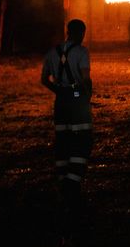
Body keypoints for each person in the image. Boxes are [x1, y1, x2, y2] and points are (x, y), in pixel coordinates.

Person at [40, 19, 93, 227]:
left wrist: (59, 92)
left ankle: (63, 185)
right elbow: (85, 78)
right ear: (80, 33)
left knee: (63, 141)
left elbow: (44, 79)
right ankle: (73, 186)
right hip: (77, 101)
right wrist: (85, 96)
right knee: (83, 141)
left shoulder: (51, 52)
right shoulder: (82, 52)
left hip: (60, 102)